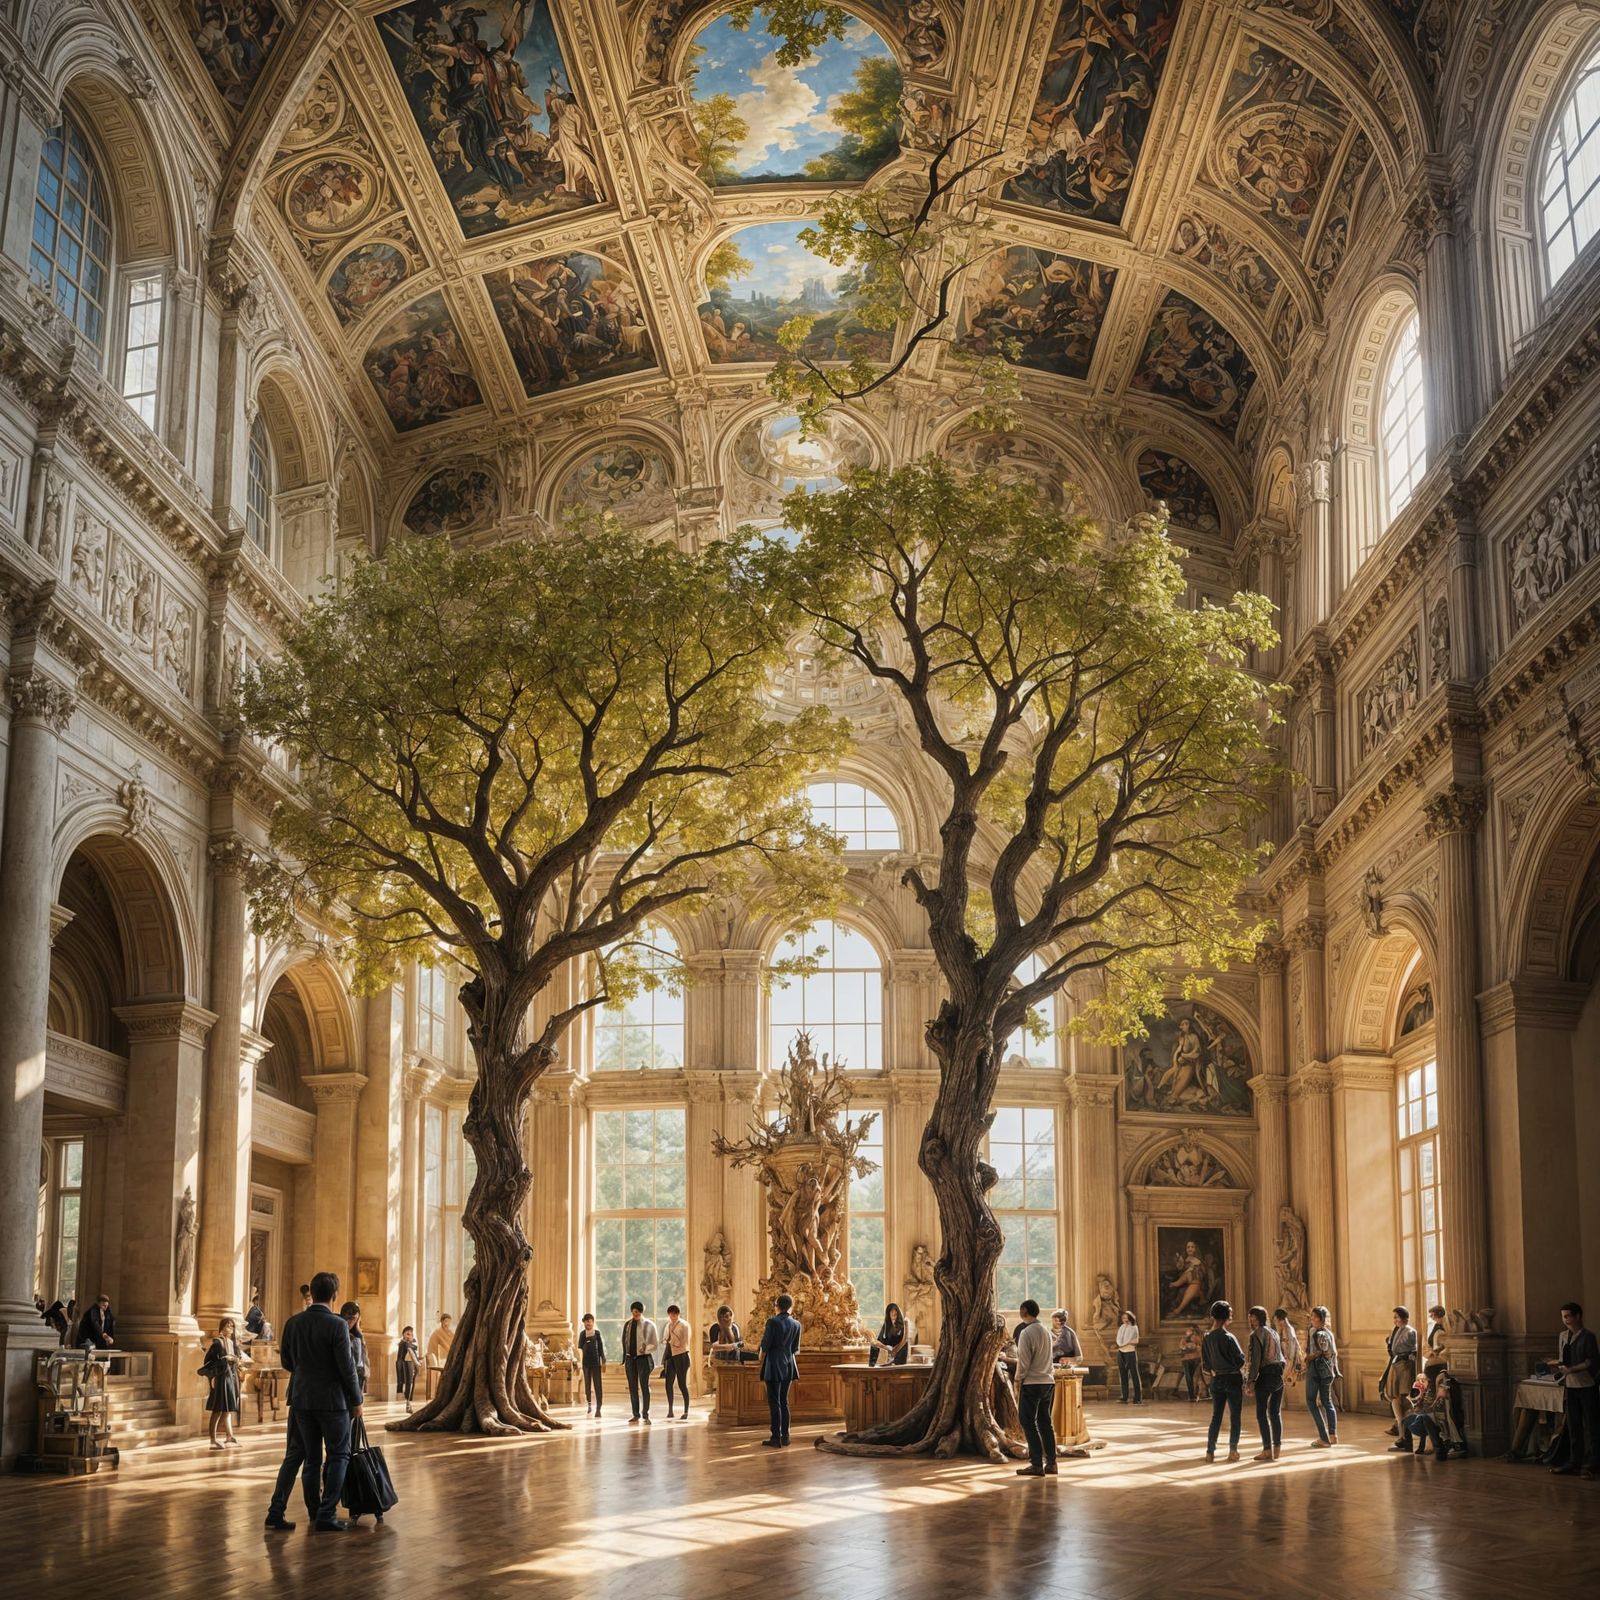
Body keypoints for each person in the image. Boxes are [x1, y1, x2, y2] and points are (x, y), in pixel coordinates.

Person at [273, 1270, 363, 1532]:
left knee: (311, 1459)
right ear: (335, 1296)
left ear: (311, 1292)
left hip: (301, 1399)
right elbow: (347, 1368)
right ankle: (327, 1513)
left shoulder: (293, 1322)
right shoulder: (337, 1325)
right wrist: (356, 1399)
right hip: (333, 1402)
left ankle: (314, 1510)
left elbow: (287, 1362)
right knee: (339, 1455)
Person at [1553, 1300, 1600, 1480]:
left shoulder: (1588, 1337)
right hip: (1570, 1386)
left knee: (1592, 1426)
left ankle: (1593, 1463)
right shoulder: (1563, 1336)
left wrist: (1573, 1369)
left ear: (1578, 1316)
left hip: (1586, 1385)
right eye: (1563, 1317)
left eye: (1568, 1316)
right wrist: (1559, 1366)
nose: (1565, 1320)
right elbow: (1562, 1358)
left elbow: (1592, 1361)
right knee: (1573, 1426)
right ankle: (1575, 1461)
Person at [1014, 1299, 1058, 1478]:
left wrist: (1018, 1379)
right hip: (1048, 1381)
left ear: (1024, 1311)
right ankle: (1052, 1463)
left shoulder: (1026, 1332)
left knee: (1028, 1422)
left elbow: (1023, 1361)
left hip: (1032, 1382)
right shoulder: (1046, 1331)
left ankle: (1036, 1464)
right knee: (1045, 1422)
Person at [1202, 1300, 1245, 1463]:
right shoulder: (1229, 1337)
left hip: (1216, 1379)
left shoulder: (1207, 1338)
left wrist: (1215, 1369)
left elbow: (1205, 1363)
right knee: (1235, 1416)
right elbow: (1240, 1360)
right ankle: (1233, 1450)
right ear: (1227, 1316)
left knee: (1216, 1416)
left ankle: (1210, 1452)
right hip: (1232, 1378)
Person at [759, 1293, 802, 1447]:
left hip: (774, 1365)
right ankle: (786, 1436)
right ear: (790, 1307)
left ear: (777, 1306)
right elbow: (796, 1348)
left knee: (774, 1402)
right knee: (784, 1402)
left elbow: (765, 1345)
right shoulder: (797, 1324)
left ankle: (775, 1437)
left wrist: (760, 1355)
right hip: (790, 1365)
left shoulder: (772, 1322)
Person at [1246, 1305, 1285, 1461]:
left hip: (1266, 1375)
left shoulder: (1255, 1334)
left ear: (1258, 1319)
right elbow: (1281, 1355)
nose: (1250, 1319)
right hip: (1278, 1375)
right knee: (1275, 1412)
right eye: (1249, 1316)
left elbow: (1255, 1360)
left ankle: (1267, 1450)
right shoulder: (1274, 1332)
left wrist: (1250, 1380)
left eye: (1252, 1317)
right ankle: (1277, 1448)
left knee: (1261, 1413)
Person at [204, 1316, 246, 1448]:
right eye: (228, 1326)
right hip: (221, 1379)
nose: (231, 1328)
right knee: (217, 1409)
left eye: (232, 1326)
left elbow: (238, 1360)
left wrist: (237, 1360)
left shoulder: (233, 1343)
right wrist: (224, 1359)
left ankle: (229, 1436)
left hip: (231, 1378)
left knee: (228, 1409)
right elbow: (207, 1362)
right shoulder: (217, 1343)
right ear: (222, 1328)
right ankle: (212, 1440)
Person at [1305, 1305, 1340, 1447]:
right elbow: (1333, 1353)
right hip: (1328, 1372)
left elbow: (1321, 1351)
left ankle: (1323, 1437)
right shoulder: (1329, 1333)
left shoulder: (1317, 1333)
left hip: (1316, 1371)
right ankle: (1333, 1435)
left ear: (1321, 1319)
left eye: (1314, 1316)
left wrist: (1308, 1358)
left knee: (1311, 1401)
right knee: (1327, 1402)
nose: (1311, 1319)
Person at [1385, 1307, 1419, 1448]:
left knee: (1403, 1400)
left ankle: (1405, 1436)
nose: (1395, 1320)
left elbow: (1411, 1351)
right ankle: (1402, 1435)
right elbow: (1393, 1349)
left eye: (1396, 1317)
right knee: (1395, 1399)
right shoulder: (1397, 1330)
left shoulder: (1409, 1331)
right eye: (1394, 1317)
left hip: (1404, 1367)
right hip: (1396, 1366)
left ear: (1404, 1318)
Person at [621, 1300, 659, 1423]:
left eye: (637, 1311)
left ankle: (646, 1414)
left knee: (644, 1387)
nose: (635, 1313)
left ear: (641, 1312)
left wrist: (645, 1349)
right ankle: (635, 1414)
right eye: (633, 1311)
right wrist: (625, 1358)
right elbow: (624, 1341)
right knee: (632, 1387)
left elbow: (655, 1344)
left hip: (643, 1359)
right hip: (630, 1359)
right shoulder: (627, 1324)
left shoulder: (649, 1325)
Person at [662, 1304, 692, 1418]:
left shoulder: (684, 1325)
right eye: (671, 1314)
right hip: (671, 1356)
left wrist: (671, 1342)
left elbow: (685, 1342)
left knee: (682, 1384)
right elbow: (665, 1339)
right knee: (668, 1383)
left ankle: (686, 1411)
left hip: (681, 1356)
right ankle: (670, 1410)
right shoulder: (668, 1325)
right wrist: (667, 1341)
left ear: (678, 1314)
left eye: (675, 1314)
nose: (672, 1316)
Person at [578, 1312, 605, 1417]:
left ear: (593, 1322)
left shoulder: (597, 1333)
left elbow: (601, 1348)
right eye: (586, 1321)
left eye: (590, 1321)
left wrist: (603, 1360)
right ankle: (589, 1405)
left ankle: (599, 1408)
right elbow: (580, 1349)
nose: (588, 1323)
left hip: (596, 1363)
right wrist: (580, 1362)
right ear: (584, 1323)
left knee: (598, 1386)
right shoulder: (582, 1334)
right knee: (587, 1385)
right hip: (586, 1364)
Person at [340, 1302, 369, 1395]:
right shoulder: (339, 1332)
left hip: (359, 1373)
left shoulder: (358, 1335)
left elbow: (363, 1356)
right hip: (347, 1375)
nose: (350, 1322)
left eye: (354, 1319)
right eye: (348, 1318)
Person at [1115, 1309, 1141, 1403]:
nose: (1124, 1319)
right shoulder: (1121, 1327)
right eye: (1123, 1318)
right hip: (1121, 1352)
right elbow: (1118, 1339)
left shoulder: (1134, 1327)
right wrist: (1120, 1344)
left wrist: (1124, 1344)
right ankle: (1124, 1396)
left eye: (1126, 1318)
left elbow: (1134, 1340)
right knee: (1123, 1375)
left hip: (1130, 1352)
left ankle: (1137, 1398)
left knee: (1134, 1375)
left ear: (1130, 1318)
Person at [1273, 1308, 1302, 1388]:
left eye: (1275, 1321)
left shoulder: (1288, 1331)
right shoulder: (1282, 1330)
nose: (1275, 1323)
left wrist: (1287, 1370)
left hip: (1287, 1365)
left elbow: (1291, 1354)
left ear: (1280, 1321)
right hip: (1284, 1364)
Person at [396, 1325, 420, 1411]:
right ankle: (408, 1404)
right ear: (403, 1334)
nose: (409, 1336)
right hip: (405, 1364)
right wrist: (417, 1363)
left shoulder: (407, 1344)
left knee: (410, 1383)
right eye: (407, 1334)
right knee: (408, 1383)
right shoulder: (405, 1344)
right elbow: (411, 1352)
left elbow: (413, 1351)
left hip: (409, 1364)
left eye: (411, 1335)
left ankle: (408, 1403)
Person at [1178, 1323, 1204, 1403]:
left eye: (1190, 1330)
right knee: (1189, 1378)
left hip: (1195, 1359)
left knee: (1194, 1378)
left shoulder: (1197, 1337)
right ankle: (1191, 1395)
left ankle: (1194, 1395)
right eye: (1188, 1330)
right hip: (1187, 1359)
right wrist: (1187, 1347)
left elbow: (1199, 1347)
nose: (1188, 1331)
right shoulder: (1184, 1339)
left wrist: (1191, 1347)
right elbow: (1181, 1347)